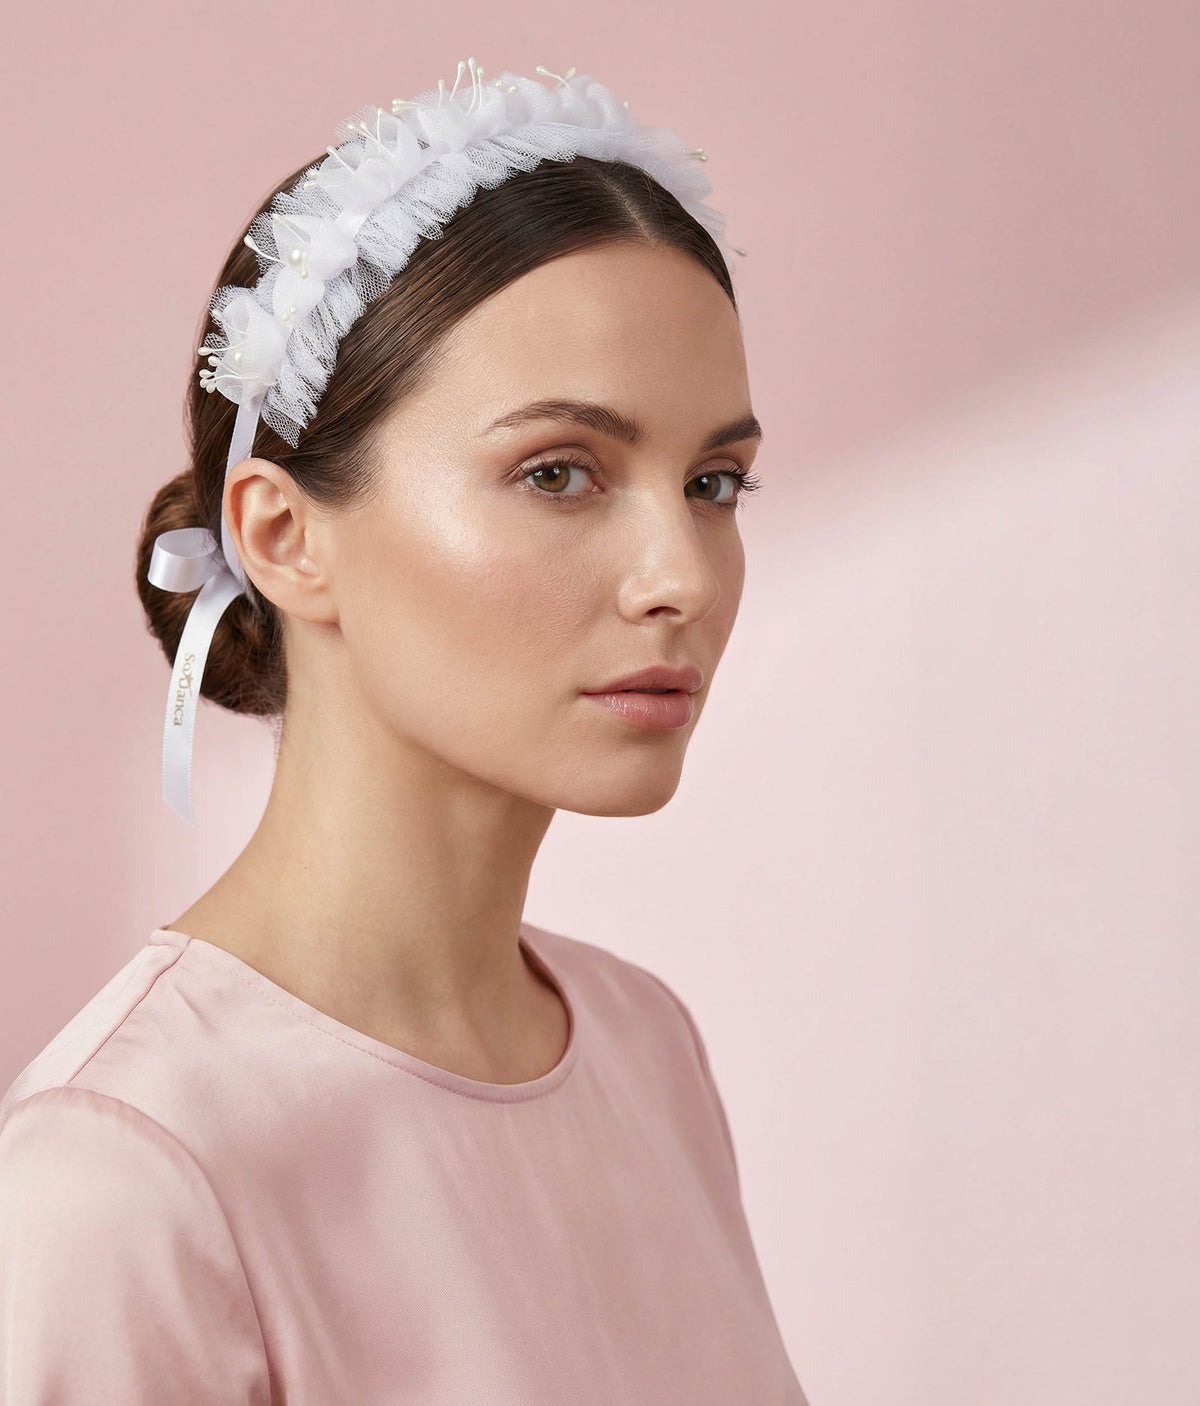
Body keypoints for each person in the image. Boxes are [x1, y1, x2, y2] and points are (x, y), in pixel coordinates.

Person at [0, 61, 808, 1403]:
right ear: (282, 533)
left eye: (713, 481)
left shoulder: (641, 1046)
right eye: (560, 472)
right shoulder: (130, 1175)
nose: (681, 571)